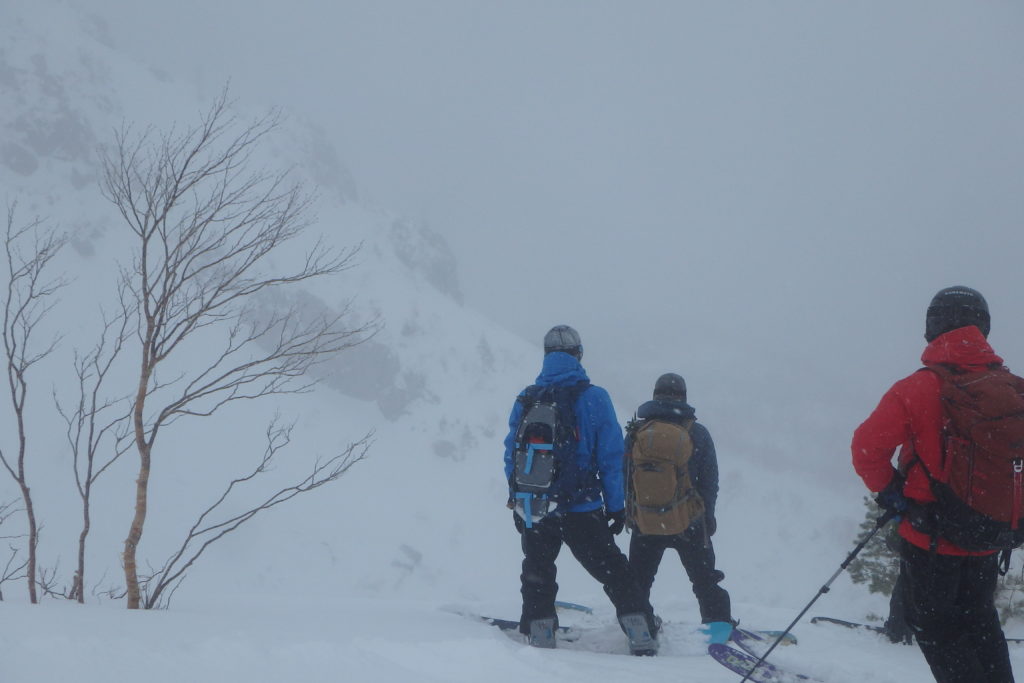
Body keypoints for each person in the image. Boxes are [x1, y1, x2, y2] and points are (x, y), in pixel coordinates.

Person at [852, 286, 1016, 682]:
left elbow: (865, 448)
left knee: (936, 628)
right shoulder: (1010, 388)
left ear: (932, 328)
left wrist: (892, 491)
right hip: (987, 534)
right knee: (979, 620)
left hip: (932, 535)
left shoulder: (918, 387)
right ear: (984, 327)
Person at [503, 325, 658, 654]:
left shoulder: (527, 397)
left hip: (538, 506)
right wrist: (617, 507)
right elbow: (611, 457)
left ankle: (541, 633)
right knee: (614, 572)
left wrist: (519, 499)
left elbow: (510, 454)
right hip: (581, 507)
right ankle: (640, 630)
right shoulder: (594, 398)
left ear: (546, 356)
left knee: (538, 570)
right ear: (579, 355)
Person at [624, 372, 734, 644]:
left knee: (638, 581)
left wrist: (630, 513)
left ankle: (640, 626)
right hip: (689, 521)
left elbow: (624, 475)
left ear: (654, 394)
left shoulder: (637, 432)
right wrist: (708, 515)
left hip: (646, 521)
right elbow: (710, 480)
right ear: (683, 397)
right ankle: (718, 629)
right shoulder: (696, 432)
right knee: (705, 580)